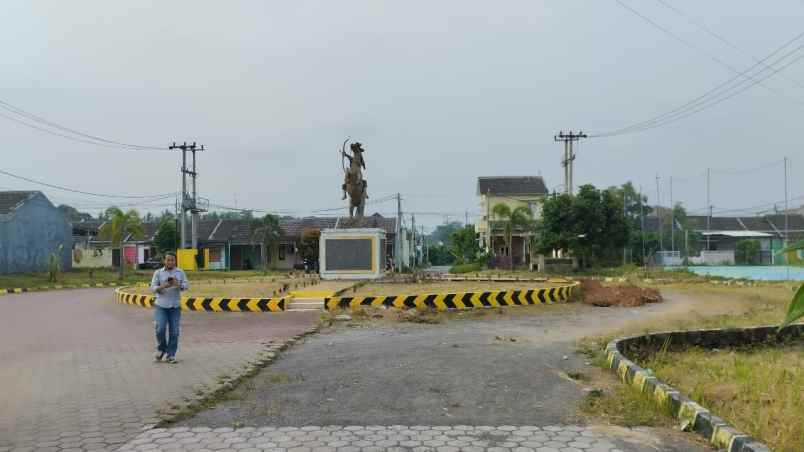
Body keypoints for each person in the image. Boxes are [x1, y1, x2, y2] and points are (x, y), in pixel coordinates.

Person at [150, 252, 188, 363]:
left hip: (175, 306)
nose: (171, 262)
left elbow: (186, 286)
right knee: (160, 329)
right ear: (164, 261)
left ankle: (171, 355)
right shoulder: (158, 273)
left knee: (175, 332)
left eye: (173, 260)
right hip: (161, 305)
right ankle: (161, 349)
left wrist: (178, 284)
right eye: (168, 260)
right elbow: (152, 288)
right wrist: (164, 285)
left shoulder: (180, 272)